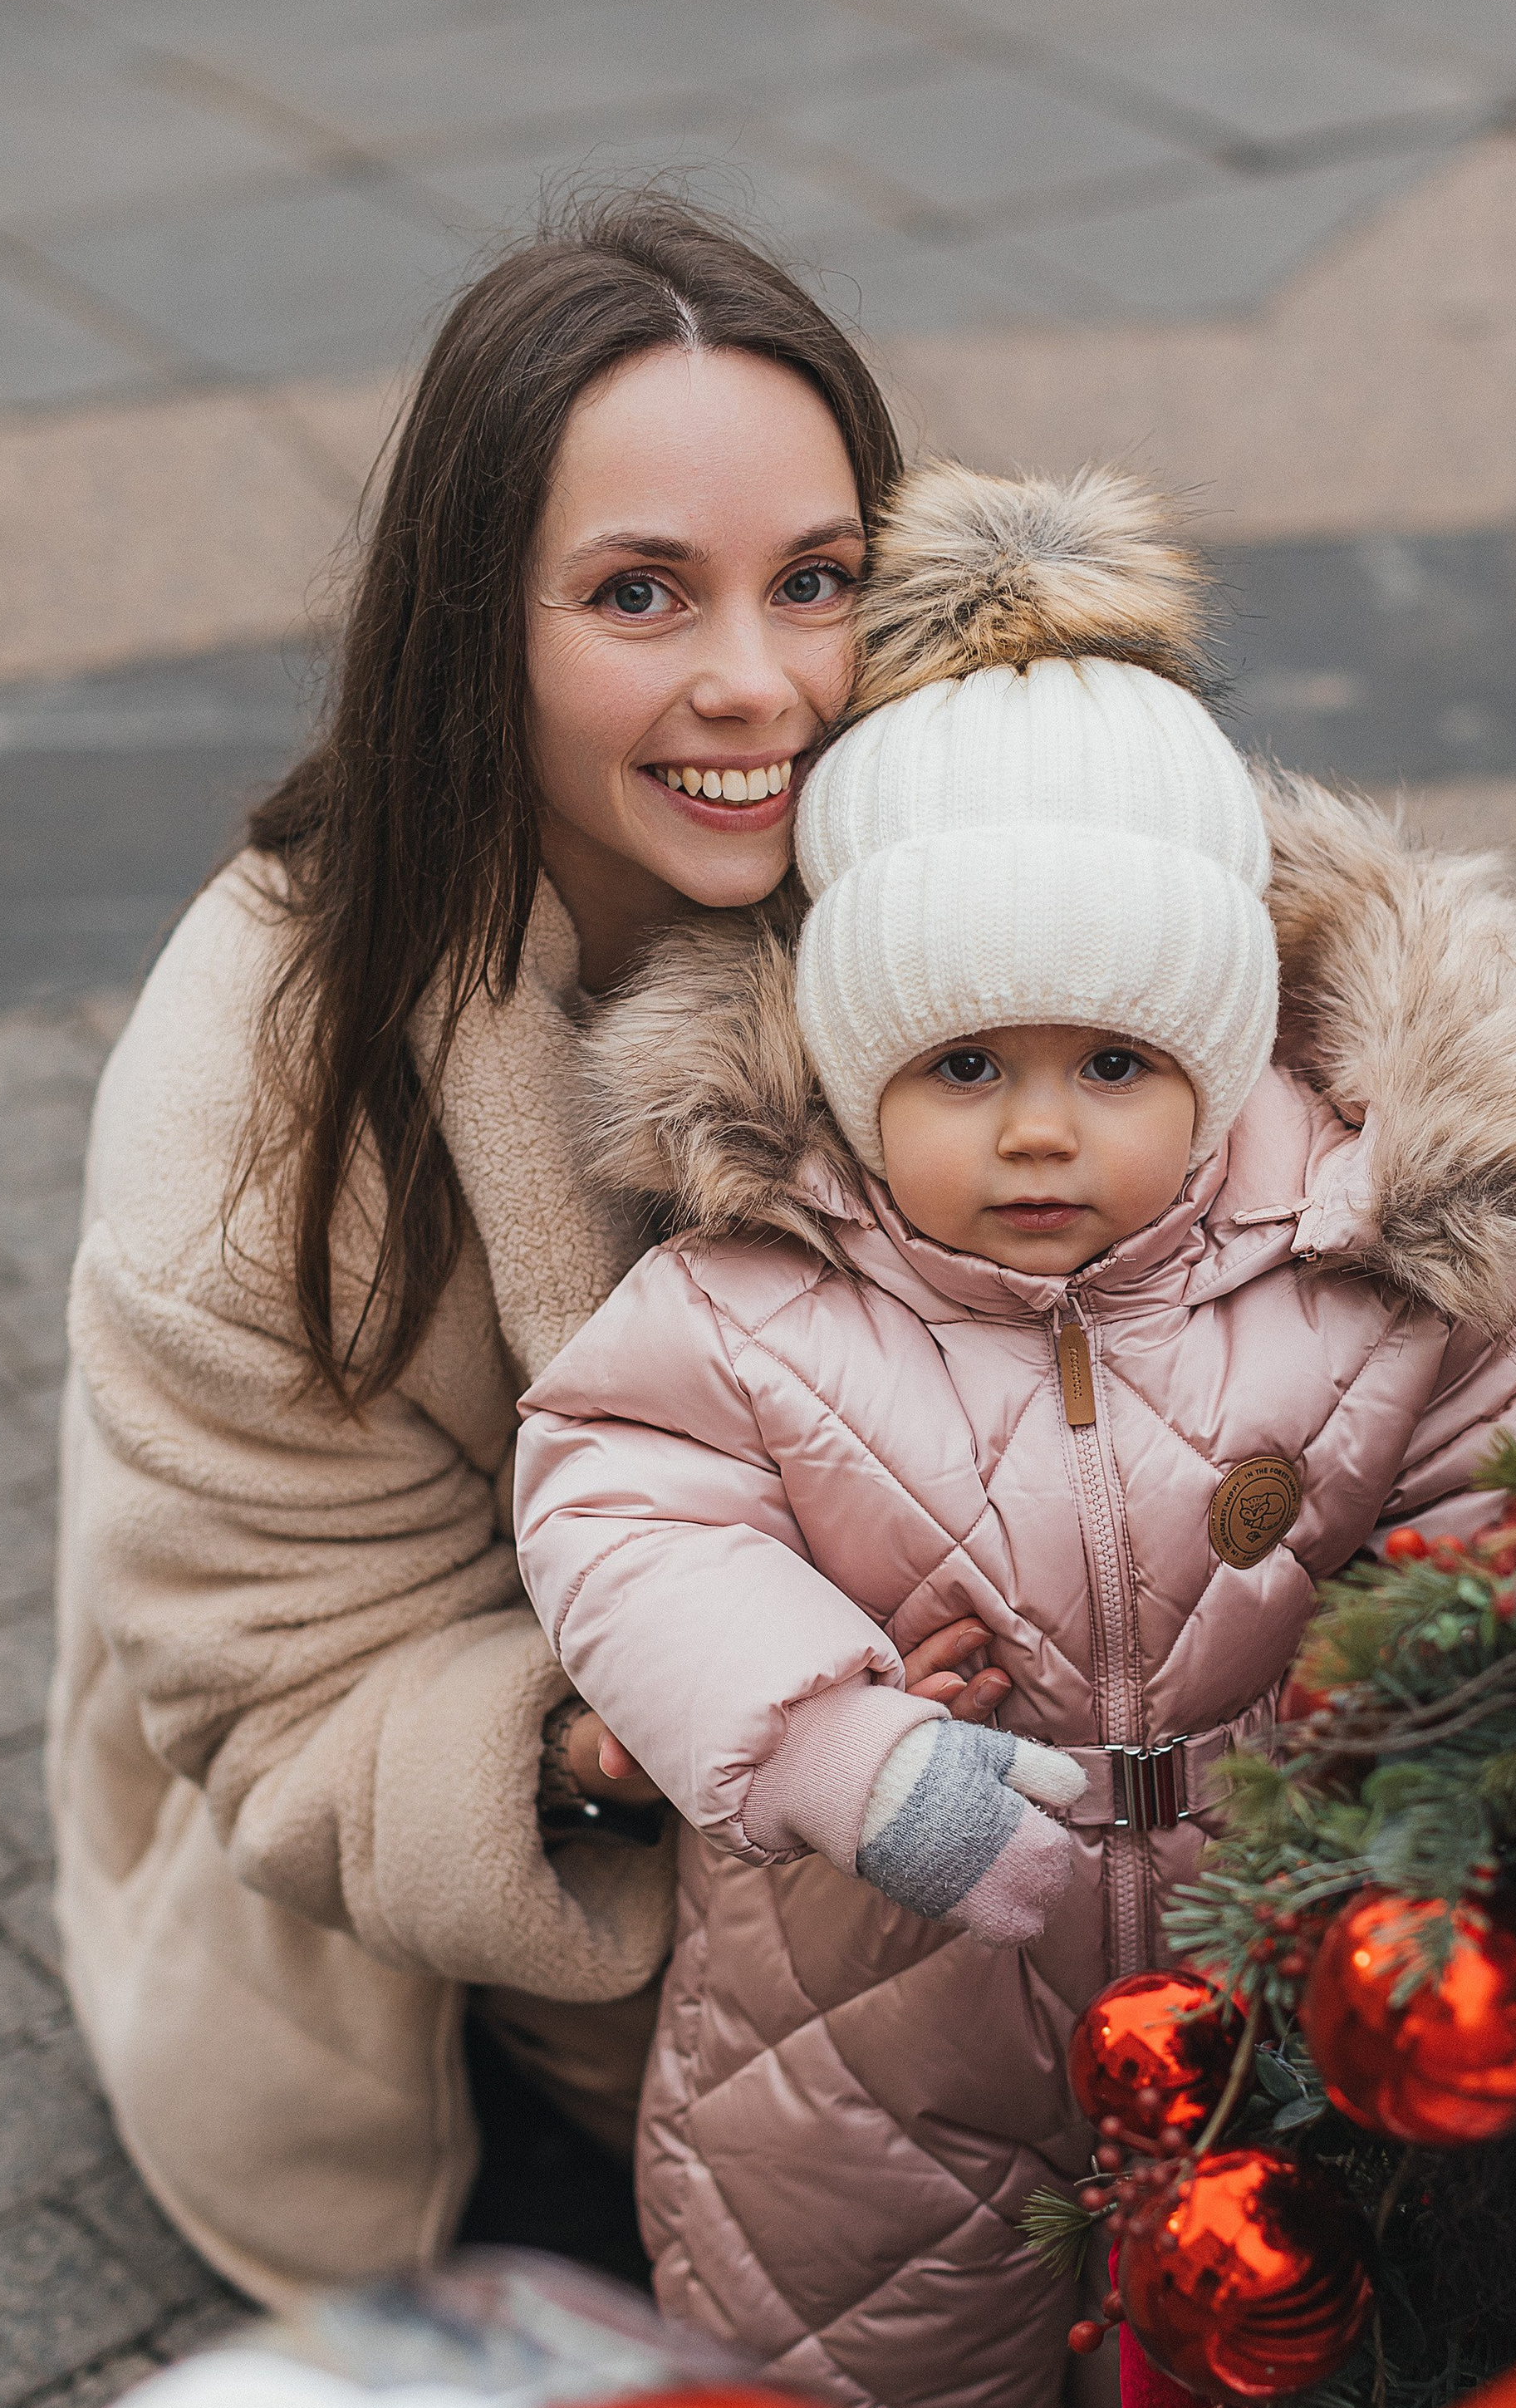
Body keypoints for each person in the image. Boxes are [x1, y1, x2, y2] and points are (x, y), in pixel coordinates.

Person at [512, 462, 1516, 2408]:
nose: (1037, 1134)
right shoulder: (755, 1299)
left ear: (1216, 1050)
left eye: (1110, 1065)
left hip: (1270, 2013)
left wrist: (1421, 1702)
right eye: (961, 1068)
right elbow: (617, 1506)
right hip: (859, 2046)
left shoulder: (1364, 1272)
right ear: (852, 1069)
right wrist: (841, 1743)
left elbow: (1508, 1494)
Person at [47, 199, 959, 2302]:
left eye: (816, 581)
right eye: (640, 594)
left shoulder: (955, 860)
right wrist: (596, 1735)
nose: (759, 683)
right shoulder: (257, 1102)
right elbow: (278, 1689)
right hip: (514, 1960)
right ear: (479, 622)